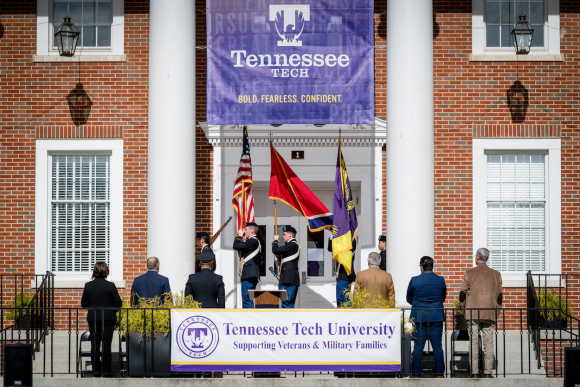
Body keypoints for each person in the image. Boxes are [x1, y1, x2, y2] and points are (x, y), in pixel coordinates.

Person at [460, 247, 503, 379]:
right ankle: (488, 372)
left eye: (475, 256)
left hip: (473, 313)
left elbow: (462, 293)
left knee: (473, 342)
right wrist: (496, 312)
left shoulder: (469, 272)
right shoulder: (496, 274)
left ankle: (474, 372)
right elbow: (500, 296)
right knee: (488, 342)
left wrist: (463, 310)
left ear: (478, 257)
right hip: (489, 313)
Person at [406, 256, 447, 378]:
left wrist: (418, 303)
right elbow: (442, 298)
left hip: (419, 316)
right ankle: (440, 374)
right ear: (432, 266)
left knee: (418, 345)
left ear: (421, 267)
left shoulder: (414, 280)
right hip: (436, 316)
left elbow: (409, 298)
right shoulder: (440, 280)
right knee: (437, 345)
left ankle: (416, 374)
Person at [81, 261, 122, 377]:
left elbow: (83, 303)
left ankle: (96, 371)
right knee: (106, 344)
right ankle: (106, 372)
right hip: (108, 318)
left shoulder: (88, 285)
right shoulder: (110, 285)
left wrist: (92, 308)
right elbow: (118, 302)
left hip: (93, 318)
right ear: (106, 271)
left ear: (94, 271)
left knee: (95, 344)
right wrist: (111, 309)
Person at [233, 222, 261, 308]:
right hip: (249, 273)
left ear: (252, 231)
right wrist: (241, 242)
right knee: (247, 299)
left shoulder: (253, 241)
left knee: (247, 299)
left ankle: (250, 319)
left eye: (246, 230)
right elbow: (240, 251)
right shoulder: (251, 242)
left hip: (249, 274)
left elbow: (235, 245)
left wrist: (239, 236)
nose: (245, 232)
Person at [272, 225, 300, 308]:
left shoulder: (292, 245)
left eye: (284, 234)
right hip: (286, 277)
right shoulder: (290, 245)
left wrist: (275, 241)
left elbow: (275, 250)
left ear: (290, 235)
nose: (283, 236)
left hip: (289, 278)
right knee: (284, 303)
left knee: (286, 303)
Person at [328, 237, 357, 307]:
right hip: (341, 276)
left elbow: (348, 248)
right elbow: (330, 249)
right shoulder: (340, 238)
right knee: (341, 300)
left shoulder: (350, 238)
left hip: (345, 275)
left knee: (343, 301)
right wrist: (332, 237)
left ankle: (347, 317)